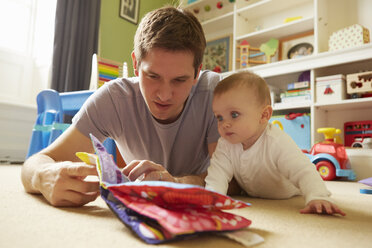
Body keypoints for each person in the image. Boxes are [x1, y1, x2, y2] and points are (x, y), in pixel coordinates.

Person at [21, 6, 222, 207]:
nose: (164, 95)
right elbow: (37, 161)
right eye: (153, 76)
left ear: (197, 73)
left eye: (179, 80)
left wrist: (177, 183)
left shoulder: (216, 93)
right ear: (135, 63)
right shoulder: (114, 98)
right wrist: (43, 176)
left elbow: (235, 181)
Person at [205, 71, 346, 216]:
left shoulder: (276, 141)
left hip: (289, 191)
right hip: (254, 191)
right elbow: (217, 173)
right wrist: (213, 198)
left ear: (264, 115)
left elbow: (304, 171)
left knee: (300, 163)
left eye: (234, 114)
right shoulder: (225, 144)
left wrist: (318, 197)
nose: (225, 124)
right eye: (219, 117)